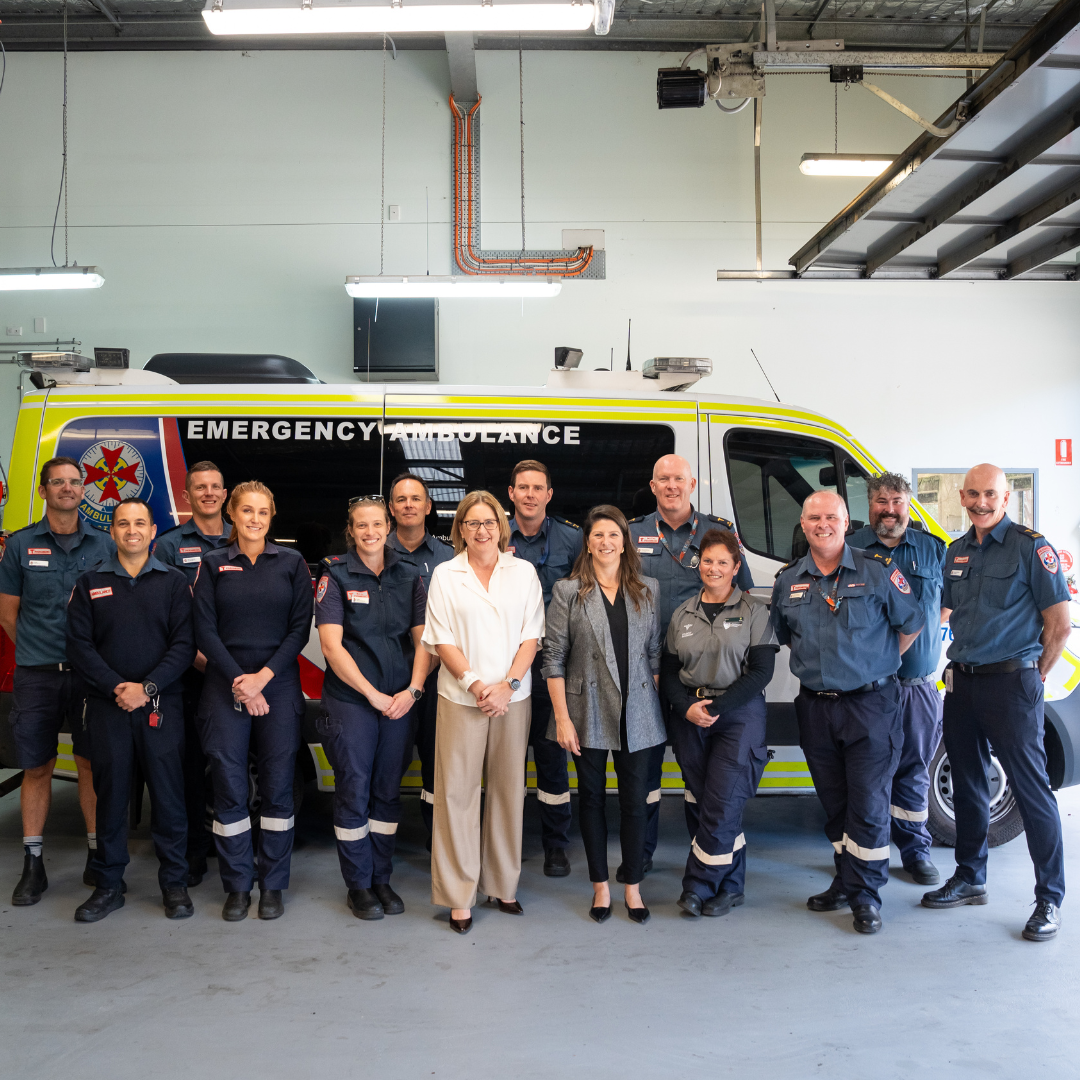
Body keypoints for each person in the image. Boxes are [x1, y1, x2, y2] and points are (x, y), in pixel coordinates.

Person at [921, 464, 1071, 941]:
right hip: (962, 684)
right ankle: (970, 877)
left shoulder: (1032, 547)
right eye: (973, 494)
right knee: (967, 784)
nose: (981, 502)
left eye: (990, 494)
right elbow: (947, 610)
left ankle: (1049, 899)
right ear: (961, 497)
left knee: (1031, 792)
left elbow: (1059, 624)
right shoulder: (955, 551)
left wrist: (1033, 676)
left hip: (1012, 684)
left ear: (1005, 498)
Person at [770, 490, 923, 934]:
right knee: (836, 805)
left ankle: (866, 897)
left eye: (831, 517)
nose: (823, 524)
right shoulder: (788, 580)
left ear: (846, 521)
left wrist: (875, 664)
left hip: (871, 706)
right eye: (814, 517)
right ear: (803, 524)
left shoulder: (877, 571)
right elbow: (786, 637)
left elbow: (911, 625)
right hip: (816, 708)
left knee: (869, 804)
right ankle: (846, 877)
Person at [66, 498, 196, 922]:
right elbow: (80, 646)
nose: (132, 530)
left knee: (169, 798)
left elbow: (184, 645)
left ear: (154, 531)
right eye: (124, 523)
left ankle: (174, 884)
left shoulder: (175, 583)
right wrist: (117, 687)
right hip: (108, 707)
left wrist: (148, 687)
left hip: (162, 706)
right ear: (114, 531)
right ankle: (108, 885)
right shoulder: (90, 583)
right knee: (112, 798)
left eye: (140, 523)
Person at [421, 491, 544, 935]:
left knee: (509, 791)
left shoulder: (524, 572)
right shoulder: (445, 575)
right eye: (471, 523)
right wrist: (476, 684)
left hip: (513, 696)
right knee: (456, 794)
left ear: (501, 525)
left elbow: (531, 635)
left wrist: (507, 686)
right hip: (461, 697)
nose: (481, 530)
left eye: (488, 522)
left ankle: (502, 885)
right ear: (460, 530)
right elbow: (441, 639)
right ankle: (458, 895)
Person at [192, 480, 314, 922]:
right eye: (247, 511)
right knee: (229, 790)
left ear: (271, 515)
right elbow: (203, 630)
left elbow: (299, 629)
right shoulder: (212, 564)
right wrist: (240, 682)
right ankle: (238, 885)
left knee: (279, 791)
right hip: (225, 686)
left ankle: (273, 885)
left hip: (277, 685)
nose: (255, 519)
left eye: (263, 512)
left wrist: (261, 679)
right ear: (233, 512)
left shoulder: (293, 563)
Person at [628, 453, 753, 879]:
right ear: (652, 486)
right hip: (644, 676)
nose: (670, 486)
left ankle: (705, 857)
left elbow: (745, 594)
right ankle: (639, 855)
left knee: (700, 776)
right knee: (644, 772)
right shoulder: (632, 534)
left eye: (678, 478)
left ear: (692, 483)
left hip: (694, 677)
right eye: (662, 478)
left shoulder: (718, 533)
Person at [0, 456, 114, 905]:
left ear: (83, 489)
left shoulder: (103, 546)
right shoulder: (21, 545)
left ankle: (94, 854)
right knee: (37, 766)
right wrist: (40, 648)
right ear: (44, 490)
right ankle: (33, 866)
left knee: (89, 764)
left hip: (90, 677)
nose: (66, 488)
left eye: (73, 482)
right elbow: (8, 615)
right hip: (38, 675)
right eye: (57, 482)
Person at [544, 506, 664, 924]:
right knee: (592, 800)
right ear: (588, 543)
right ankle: (599, 887)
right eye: (598, 535)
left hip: (638, 712)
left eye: (614, 534)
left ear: (625, 541)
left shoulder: (647, 588)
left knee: (634, 803)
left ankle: (631, 886)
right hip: (585, 709)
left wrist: (655, 707)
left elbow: (653, 653)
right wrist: (562, 718)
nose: (606, 542)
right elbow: (554, 656)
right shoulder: (568, 591)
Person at [315, 495, 431, 920]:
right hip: (353, 702)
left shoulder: (409, 573)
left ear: (388, 526)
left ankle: (382, 878)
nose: (369, 532)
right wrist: (372, 694)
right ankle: (359, 885)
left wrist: (414, 690)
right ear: (353, 529)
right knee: (354, 790)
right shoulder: (335, 574)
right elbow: (331, 645)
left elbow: (424, 641)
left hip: (400, 701)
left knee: (387, 792)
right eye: (360, 525)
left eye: (376, 525)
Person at [662, 530, 779, 918]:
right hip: (691, 715)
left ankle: (698, 885)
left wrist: (719, 706)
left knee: (722, 801)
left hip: (738, 714)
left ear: (735, 567)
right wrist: (685, 708)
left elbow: (761, 671)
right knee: (703, 801)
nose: (713, 568)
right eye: (707, 561)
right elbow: (669, 669)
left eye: (722, 562)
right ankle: (731, 886)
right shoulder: (683, 613)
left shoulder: (754, 612)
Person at [848, 473, 947, 886]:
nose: (889, 510)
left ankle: (915, 852)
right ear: (869, 504)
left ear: (908, 504)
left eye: (897, 501)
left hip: (915, 687)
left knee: (914, 771)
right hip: (866, 689)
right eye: (881, 501)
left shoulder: (932, 550)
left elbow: (948, 606)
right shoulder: (851, 550)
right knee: (865, 775)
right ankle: (861, 855)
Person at [153, 460, 230, 886]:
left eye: (215, 487)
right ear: (187, 496)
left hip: (231, 673)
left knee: (228, 762)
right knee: (189, 768)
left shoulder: (244, 537)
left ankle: (232, 845)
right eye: (199, 487)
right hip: (189, 674)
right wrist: (205, 661)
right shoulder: (167, 547)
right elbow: (167, 616)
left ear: (225, 494)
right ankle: (195, 852)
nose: (207, 493)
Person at [507, 459, 582, 878]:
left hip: (555, 669)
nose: (531, 494)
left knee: (553, 759)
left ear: (549, 495)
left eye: (538, 487)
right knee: (507, 761)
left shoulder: (572, 540)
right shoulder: (494, 535)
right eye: (523, 487)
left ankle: (556, 846)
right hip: (507, 668)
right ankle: (507, 842)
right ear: (512, 494)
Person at [385, 473, 454, 844]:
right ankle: (382, 844)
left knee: (436, 763)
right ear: (391, 508)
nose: (408, 504)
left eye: (416, 499)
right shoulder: (375, 550)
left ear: (428, 507)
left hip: (437, 678)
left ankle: (436, 842)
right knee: (387, 765)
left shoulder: (450, 557)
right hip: (388, 677)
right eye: (400, 499)